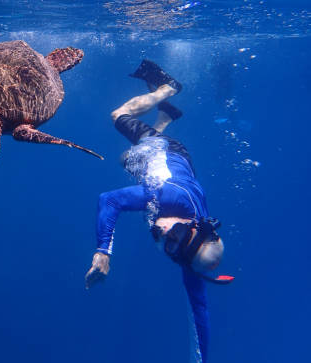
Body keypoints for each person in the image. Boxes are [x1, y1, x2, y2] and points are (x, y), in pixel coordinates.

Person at [84, 60, 234, 363]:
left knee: (127, 159)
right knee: (118, 116)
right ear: (194, 225)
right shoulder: (168, 197)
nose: (166, 234)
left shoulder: (190, 256)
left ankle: (166, 114)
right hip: (167, 152)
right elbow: (109, 200)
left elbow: (200, 311)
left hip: (175, 166)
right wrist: (103, 251)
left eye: (172, 246)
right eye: (177, 233)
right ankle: (169, 88)